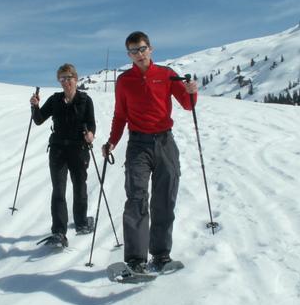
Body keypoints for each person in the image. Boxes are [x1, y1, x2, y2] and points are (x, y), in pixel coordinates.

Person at [103, 31, 198, 272]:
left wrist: (191, 91)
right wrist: (112, 141)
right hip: (138, 145)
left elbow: (188, 105)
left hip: (165, 142)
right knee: (136, 198)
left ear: (151, 49)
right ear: (129, 54)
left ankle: (161, 256)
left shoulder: (165, 75)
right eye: (133, 51)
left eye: (142, 49)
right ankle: (136, 260)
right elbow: (120, 115)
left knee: (164, 199)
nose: (139, 54)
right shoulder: (125, 81)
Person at [31, 63, 96, 246]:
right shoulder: (55, 100)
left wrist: (90, 134)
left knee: (79, 186)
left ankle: (82, 222)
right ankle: (59, 232)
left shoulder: (85, 100)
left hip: (79, 150)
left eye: (69, 77)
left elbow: (91, 124)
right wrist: (35, 107)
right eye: (62, 78)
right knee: (58, 190)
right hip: (58, 150)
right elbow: (38, 120)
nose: (66, 81)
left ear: (75, 78)